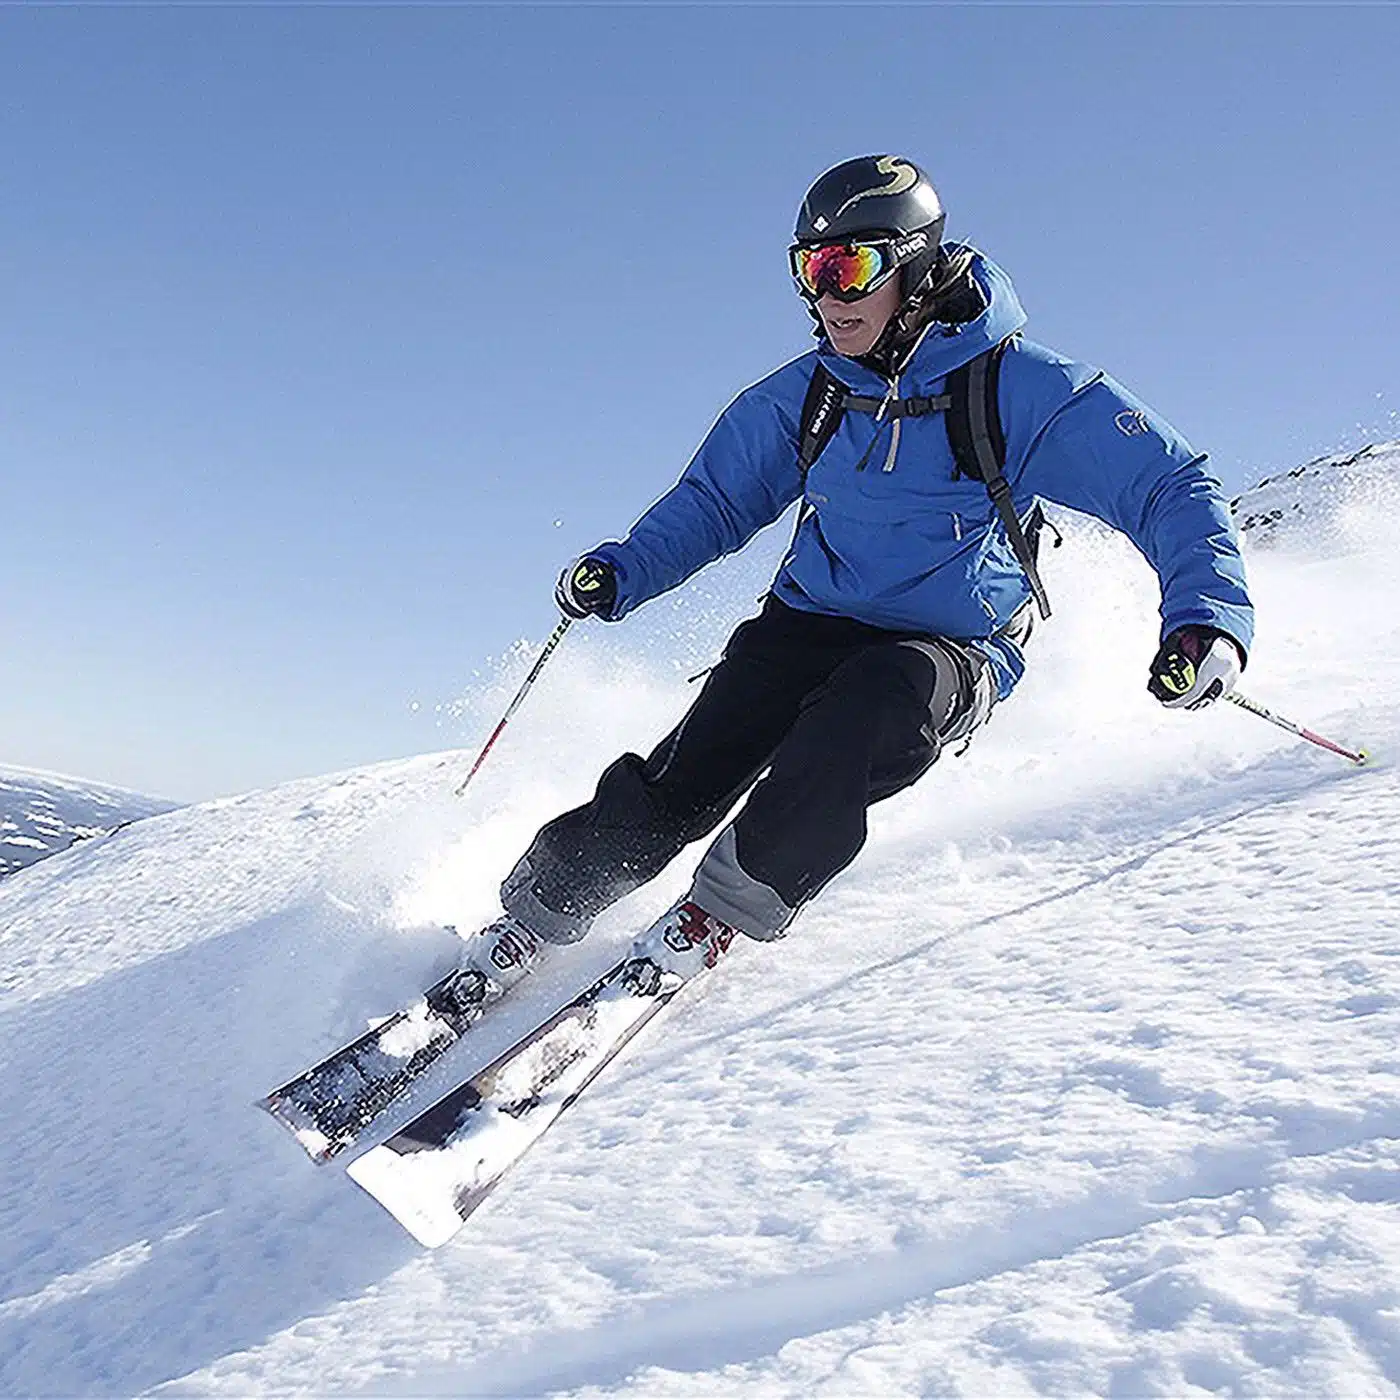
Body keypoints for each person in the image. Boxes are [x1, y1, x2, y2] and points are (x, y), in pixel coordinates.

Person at [457, 154, 1253, 996]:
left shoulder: (1020, 389)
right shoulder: (809, 396)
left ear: (914, 265)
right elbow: (715, 502)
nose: (826, 296)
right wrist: (624, 571)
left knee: (862, 717)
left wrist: (1207, 620)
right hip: (811, 618)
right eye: (810, 269)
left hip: (949, 642)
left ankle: (715, 912)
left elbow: (1168, 484)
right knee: (691, 770)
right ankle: (536, 916)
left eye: (850, 267)